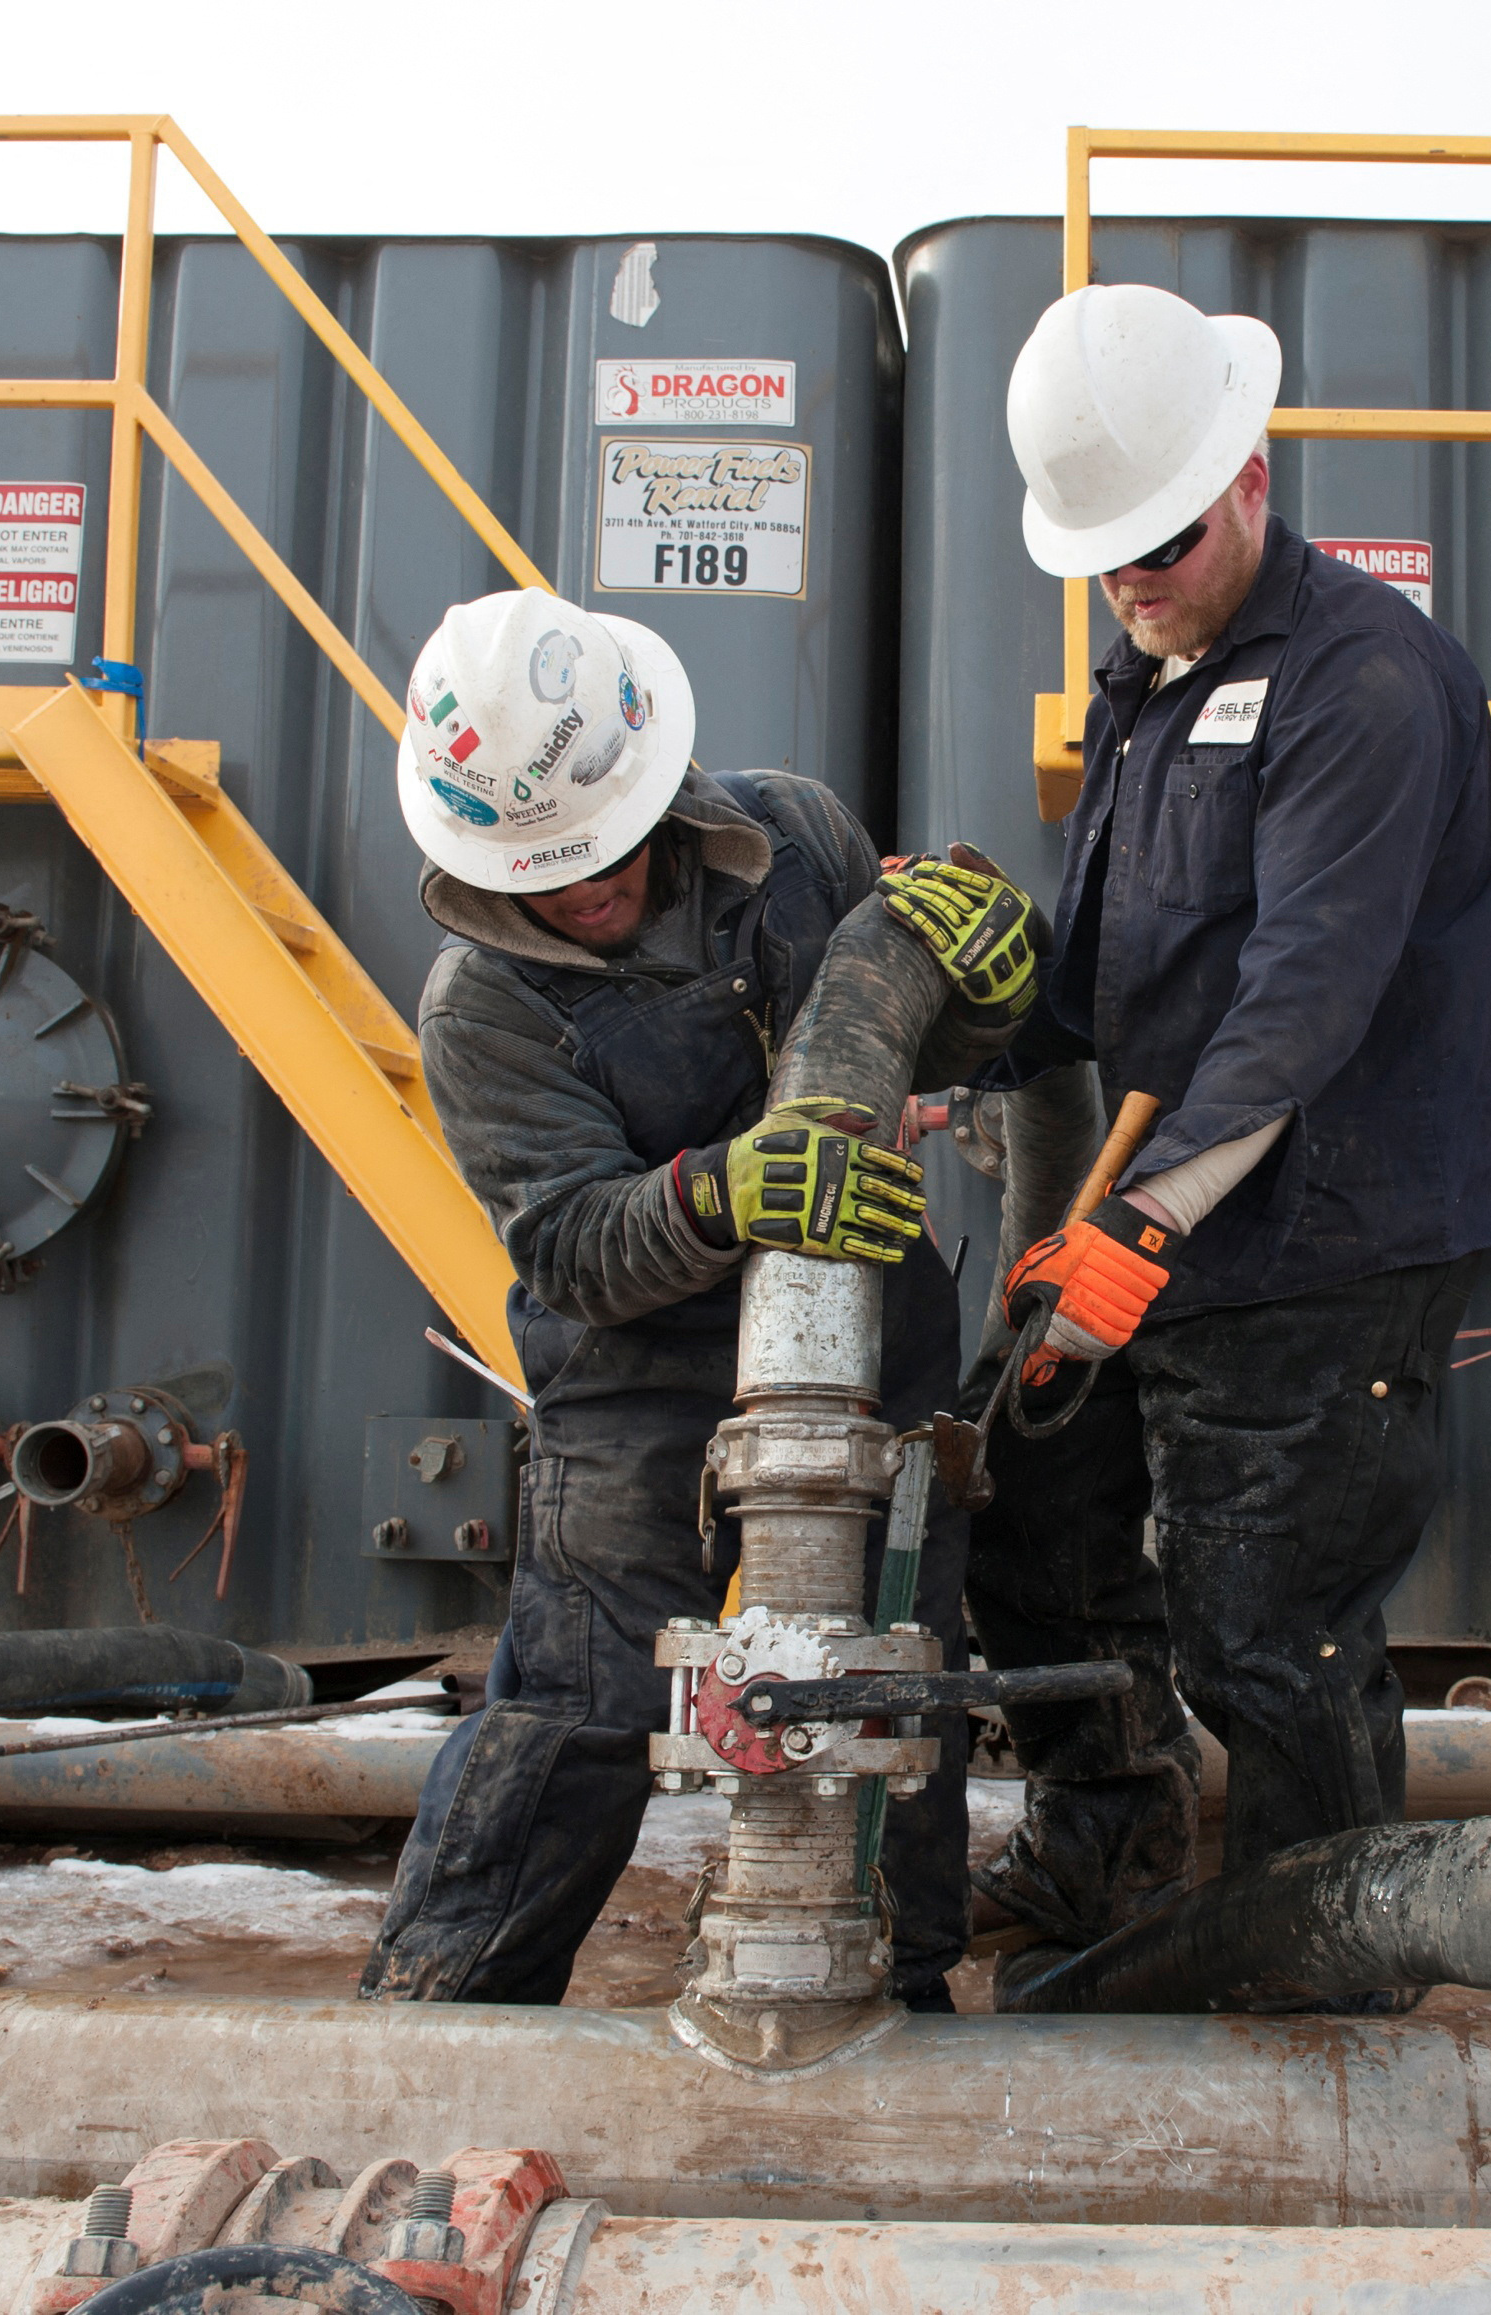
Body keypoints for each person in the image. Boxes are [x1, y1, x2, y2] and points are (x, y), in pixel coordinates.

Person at [359, 588, 1034, 2012]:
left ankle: (894, 1988)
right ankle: (444, 2007)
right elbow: (569, 1246)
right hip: (635, 1367)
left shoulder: (794, 835)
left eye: (599, 852)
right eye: (542, 867)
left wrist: (983, 997)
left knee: (889, 1667)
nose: (582, 888)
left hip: (867, 1331)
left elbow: (894, 1026)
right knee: (585, 1696)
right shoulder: (480, 1005)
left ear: (653, 783)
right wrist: (722, 1195)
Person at [964, 284, 1491, 1978]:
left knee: (1264, 1632)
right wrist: (963, 1047)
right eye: (1105, 554)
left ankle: (1326, 1964)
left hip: (1324, 1242)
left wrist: (1143, 1221)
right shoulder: (1149, 673)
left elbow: (1301, 990)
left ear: (1255, 478)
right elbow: (1112, 968)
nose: (1133, 580)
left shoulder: (1363, 681)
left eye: (1164, 540)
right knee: (1033, 1526)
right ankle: (1113, 1852)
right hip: (1180, 1219)